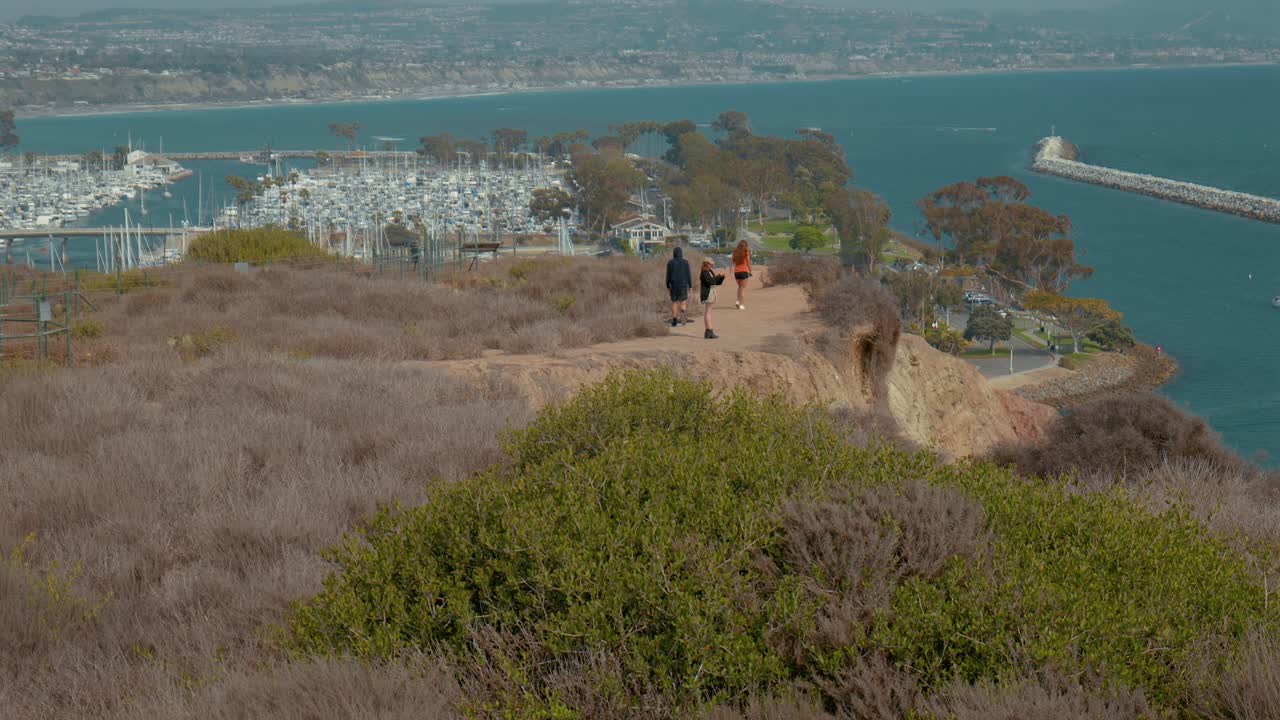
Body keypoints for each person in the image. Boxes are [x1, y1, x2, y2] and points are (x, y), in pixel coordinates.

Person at [665, 246, 692, 327]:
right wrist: (690, 286)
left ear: (674, 253)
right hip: (683, 284)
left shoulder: (670, 262)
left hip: (673, 285)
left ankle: (674, 319)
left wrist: (668, 286)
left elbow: (668, 276)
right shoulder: (685, 262)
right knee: (683, 301)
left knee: (674, 302)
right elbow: (688, 275)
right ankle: (683, 312)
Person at [700, 258, 726, 339]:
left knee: (709, 312)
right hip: (708, 293)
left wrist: (721, 277)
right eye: (710, 264)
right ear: (706, 263)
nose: (712, 265)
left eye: (712, 263)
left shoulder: (709, 271)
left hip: (712, 292)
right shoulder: (704, 272)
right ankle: (709, 331)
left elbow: (716, 282)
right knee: (708, 312)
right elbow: (710, 282)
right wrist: (719, 275)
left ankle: (708, 332)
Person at [731, 239, 752, 309]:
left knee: (740, 287)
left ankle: (737, 301)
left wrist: (731, 270)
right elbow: (748, 263)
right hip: (744, 271)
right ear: (745, 246)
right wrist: (750, 271)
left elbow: (732, 262)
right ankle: (741, 304)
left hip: (736, 272)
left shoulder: (735, 252)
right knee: (742, 289)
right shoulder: (746, 252)